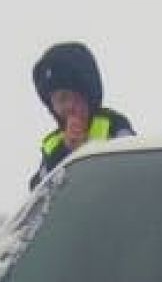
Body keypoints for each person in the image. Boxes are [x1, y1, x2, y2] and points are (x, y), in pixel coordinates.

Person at [30, 42, 133, 186]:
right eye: (60, 100)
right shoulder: (52, 144)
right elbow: (37, 189)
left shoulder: (114, 124)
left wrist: (87, 152)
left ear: (88, 94)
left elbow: (131, 168)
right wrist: (64, 151)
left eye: (74, 97)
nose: (69, 106)